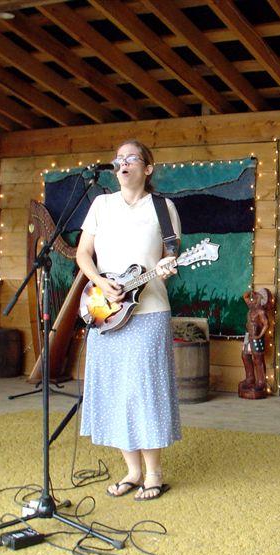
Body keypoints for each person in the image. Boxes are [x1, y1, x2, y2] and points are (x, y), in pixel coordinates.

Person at [76, 139, 181, 501]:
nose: (122, 163)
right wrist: (99, 281)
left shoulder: (163, 208)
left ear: (147, 169)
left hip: (149, 311)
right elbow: (83, 253)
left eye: (131, 158)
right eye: (118, 159)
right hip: (106, 309)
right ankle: (132, 472)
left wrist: (167, 266)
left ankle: (153, 473)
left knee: (145, 391)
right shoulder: (101, 205)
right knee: (115, 390)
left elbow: (171, 255)